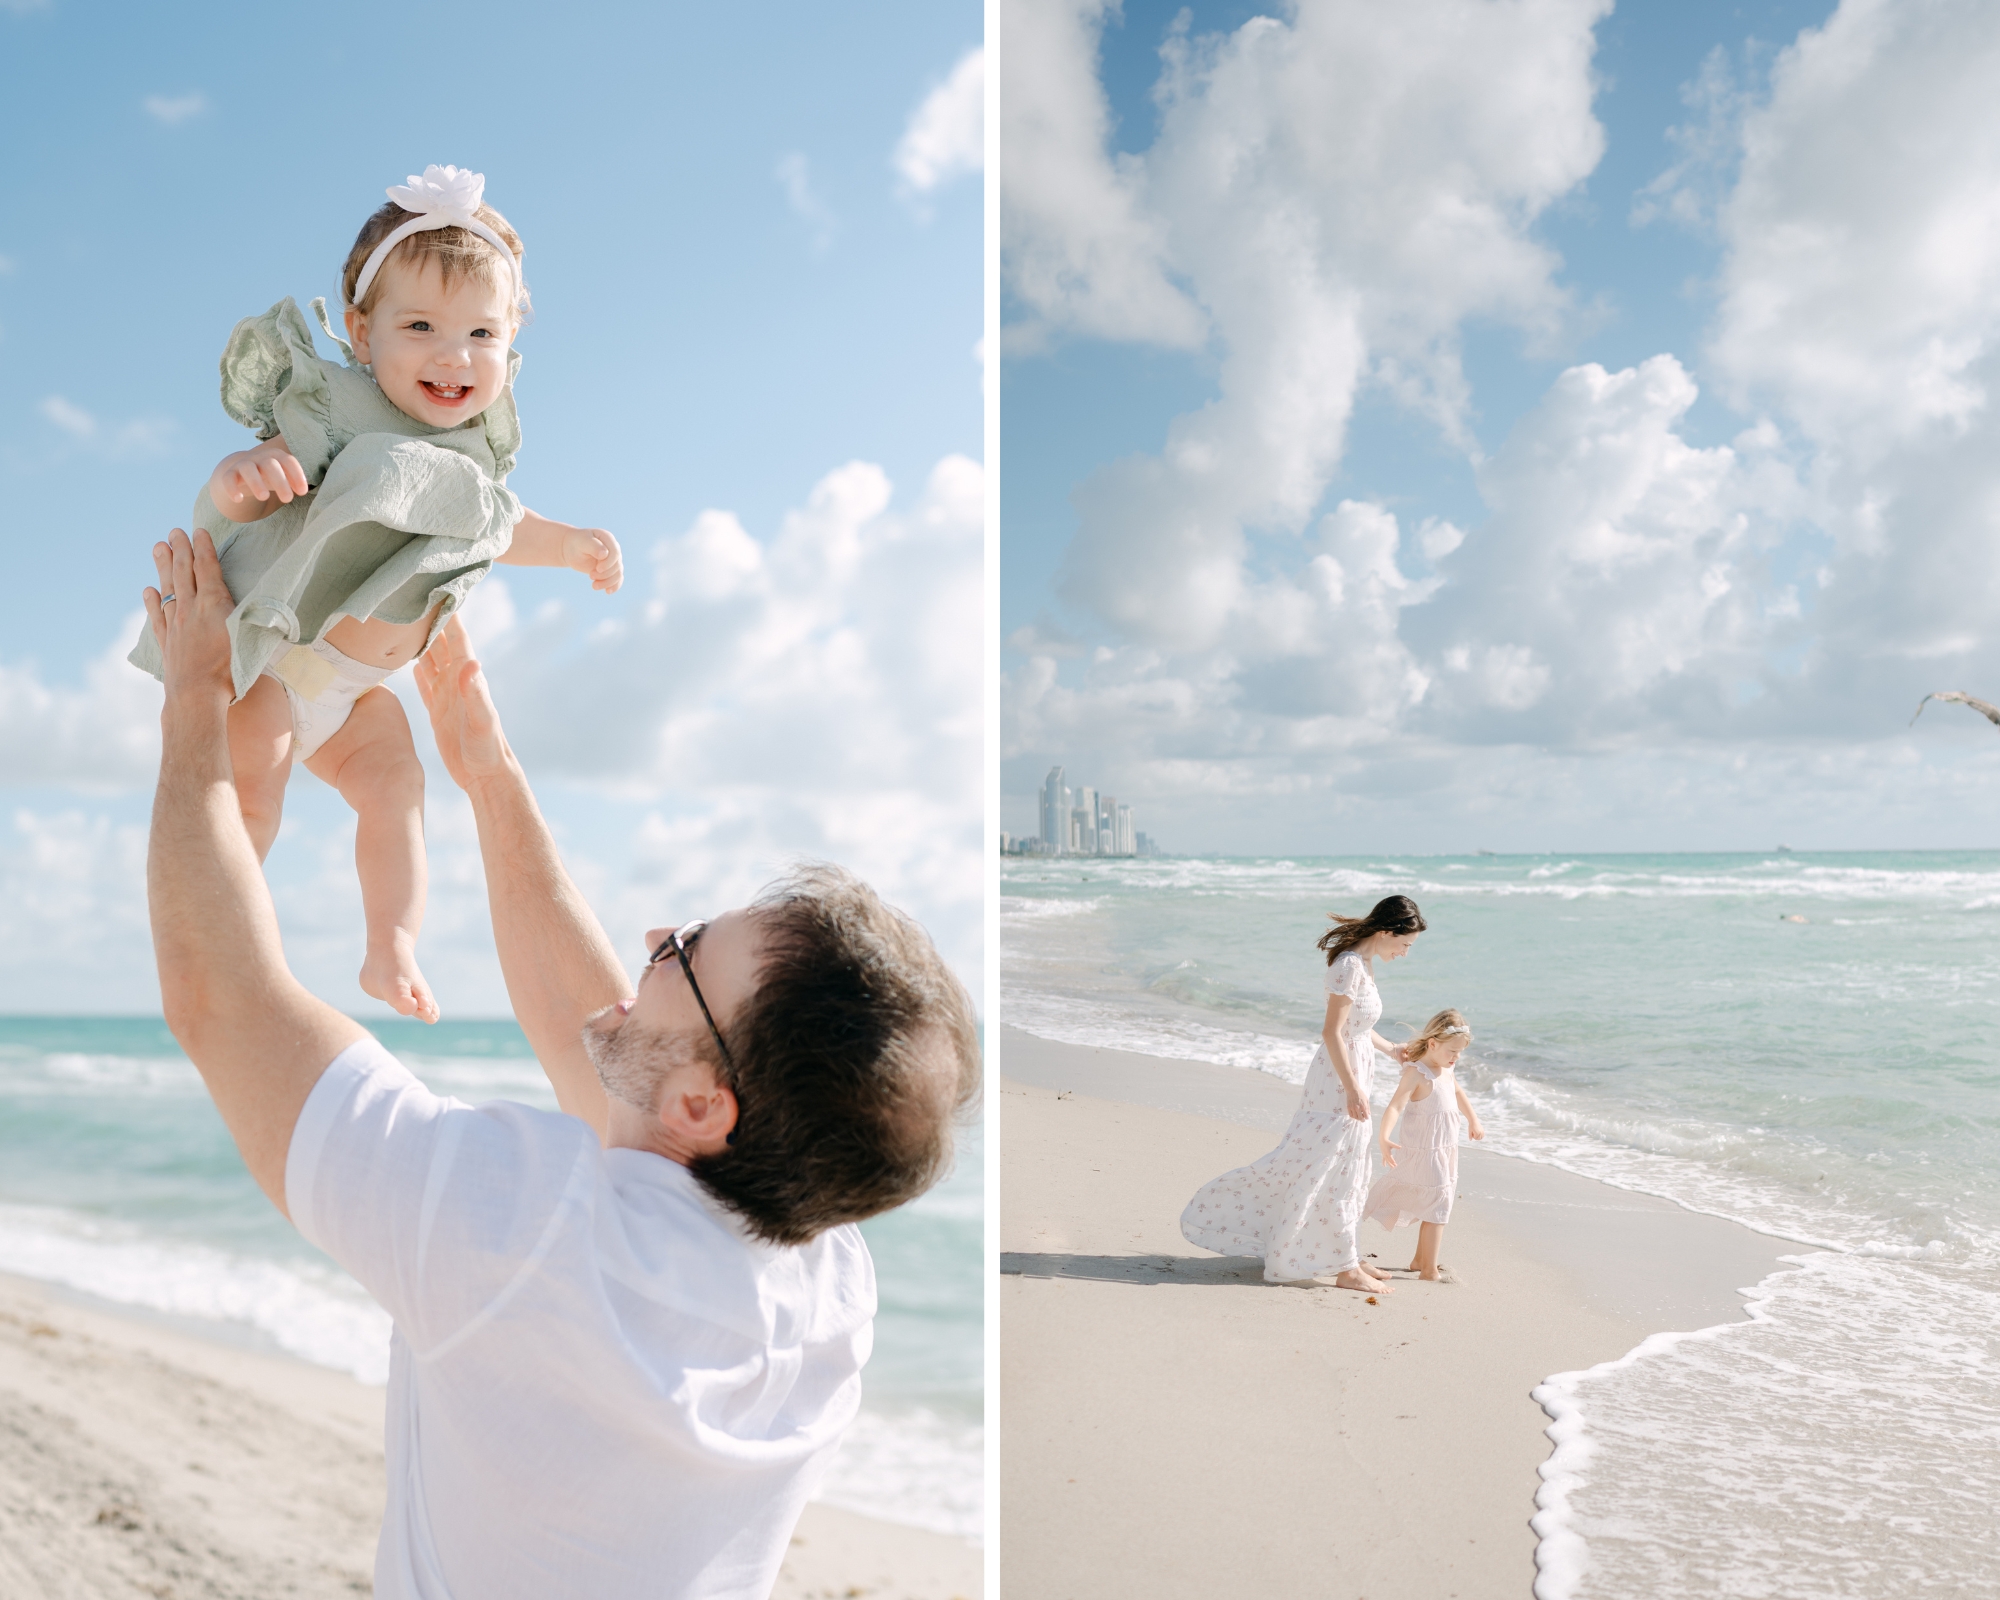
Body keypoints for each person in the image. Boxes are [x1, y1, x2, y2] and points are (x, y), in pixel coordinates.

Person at [141, 527, 979, 1600]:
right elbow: (614, 1050)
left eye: (682, 952)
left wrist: (193, 702)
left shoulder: (519, 1230)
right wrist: (484, 770)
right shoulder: (824, 1281)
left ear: (705, 1103)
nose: (650, 942)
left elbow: (220, 997)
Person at [130, 165, 624, 1025]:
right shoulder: (343, 409)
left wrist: (576, 547)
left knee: (398, 785)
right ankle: (220, 940)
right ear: (362, 334)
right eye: (420, 326)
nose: (453, 354)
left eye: (481, 332)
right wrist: (245, 476)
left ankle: (389, 946)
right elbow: (231, 502)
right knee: (252, 793)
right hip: (286, 665)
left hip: (359, 696)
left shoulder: (473, 457)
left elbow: (503, 526)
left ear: (511, 346)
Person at [1179, 894, 1426, 1294]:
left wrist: (1391, 1049)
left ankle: (1346, 1255)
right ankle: (1344, 1267)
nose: (1405, 953)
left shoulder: (1363, 964)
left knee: (1347, 1167)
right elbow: (1331, 1032)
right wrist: (1352, 1090)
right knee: (1330, 1165)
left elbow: (1357, 1028)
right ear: (1386, 932)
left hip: (1354, 1067)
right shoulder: (1349, 966)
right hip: (1339, 1079)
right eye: (1405, 944)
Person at [1364, 1008, 1484, 1281]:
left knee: (1438, 1204)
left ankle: (1420, 1260)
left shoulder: (1445, 1071)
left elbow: (1459, 1093)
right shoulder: (1417, 1073)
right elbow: (1396, 1105)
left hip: (1446, 1151)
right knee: (1438, 1207)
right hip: (1425, 1154)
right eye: (1452, 1051)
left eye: (1460, 1053)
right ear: (1433, 1044)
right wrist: (1383, 1137)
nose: (1456, 1058)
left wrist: (1473, 1120)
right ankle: (1429, 1270)